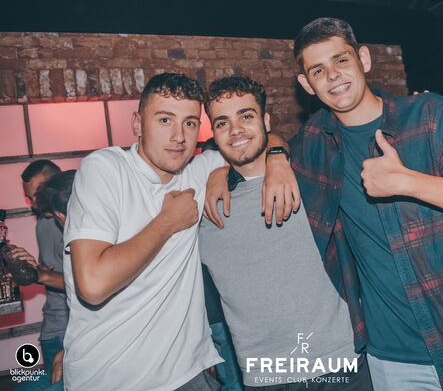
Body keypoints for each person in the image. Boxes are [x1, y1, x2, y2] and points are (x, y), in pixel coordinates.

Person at [205, 17, 443, 391]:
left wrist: (410, 182)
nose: (332, 76)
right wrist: (250, 162)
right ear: (307, 84)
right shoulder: (316, 143)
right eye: (318, 70)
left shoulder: (429, 115)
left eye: (341, 60)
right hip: (391, 361)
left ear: (364, 59)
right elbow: (261, 138)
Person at [62, 72, 295, 391]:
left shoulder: (198, 170)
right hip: (112, 379)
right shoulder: (106, 169)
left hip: (188, 374)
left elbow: (260, 141)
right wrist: (166, 223)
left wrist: (278, 159)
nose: (179, 137)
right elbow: (93, 284)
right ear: (137, 124)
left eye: (189, 123)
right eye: (164, 120)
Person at [200, 76, 372, 391]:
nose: (235, 130)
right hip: (266, 376)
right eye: (222, 122)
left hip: (341, 363)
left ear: (266, 121)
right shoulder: (205, 205)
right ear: (214, 132)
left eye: (246, 116)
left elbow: (346, 119)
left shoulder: (309, 177)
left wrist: (278, 154)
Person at [11, 160, 67, 391]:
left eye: (37, 194)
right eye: (29, 198)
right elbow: (53, 271)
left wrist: (41, 275)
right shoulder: (43, 223)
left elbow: (89, 284)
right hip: (52, 331)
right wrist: (31, 268)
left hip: (74, 331)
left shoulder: (78, 219)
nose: (34, 204)